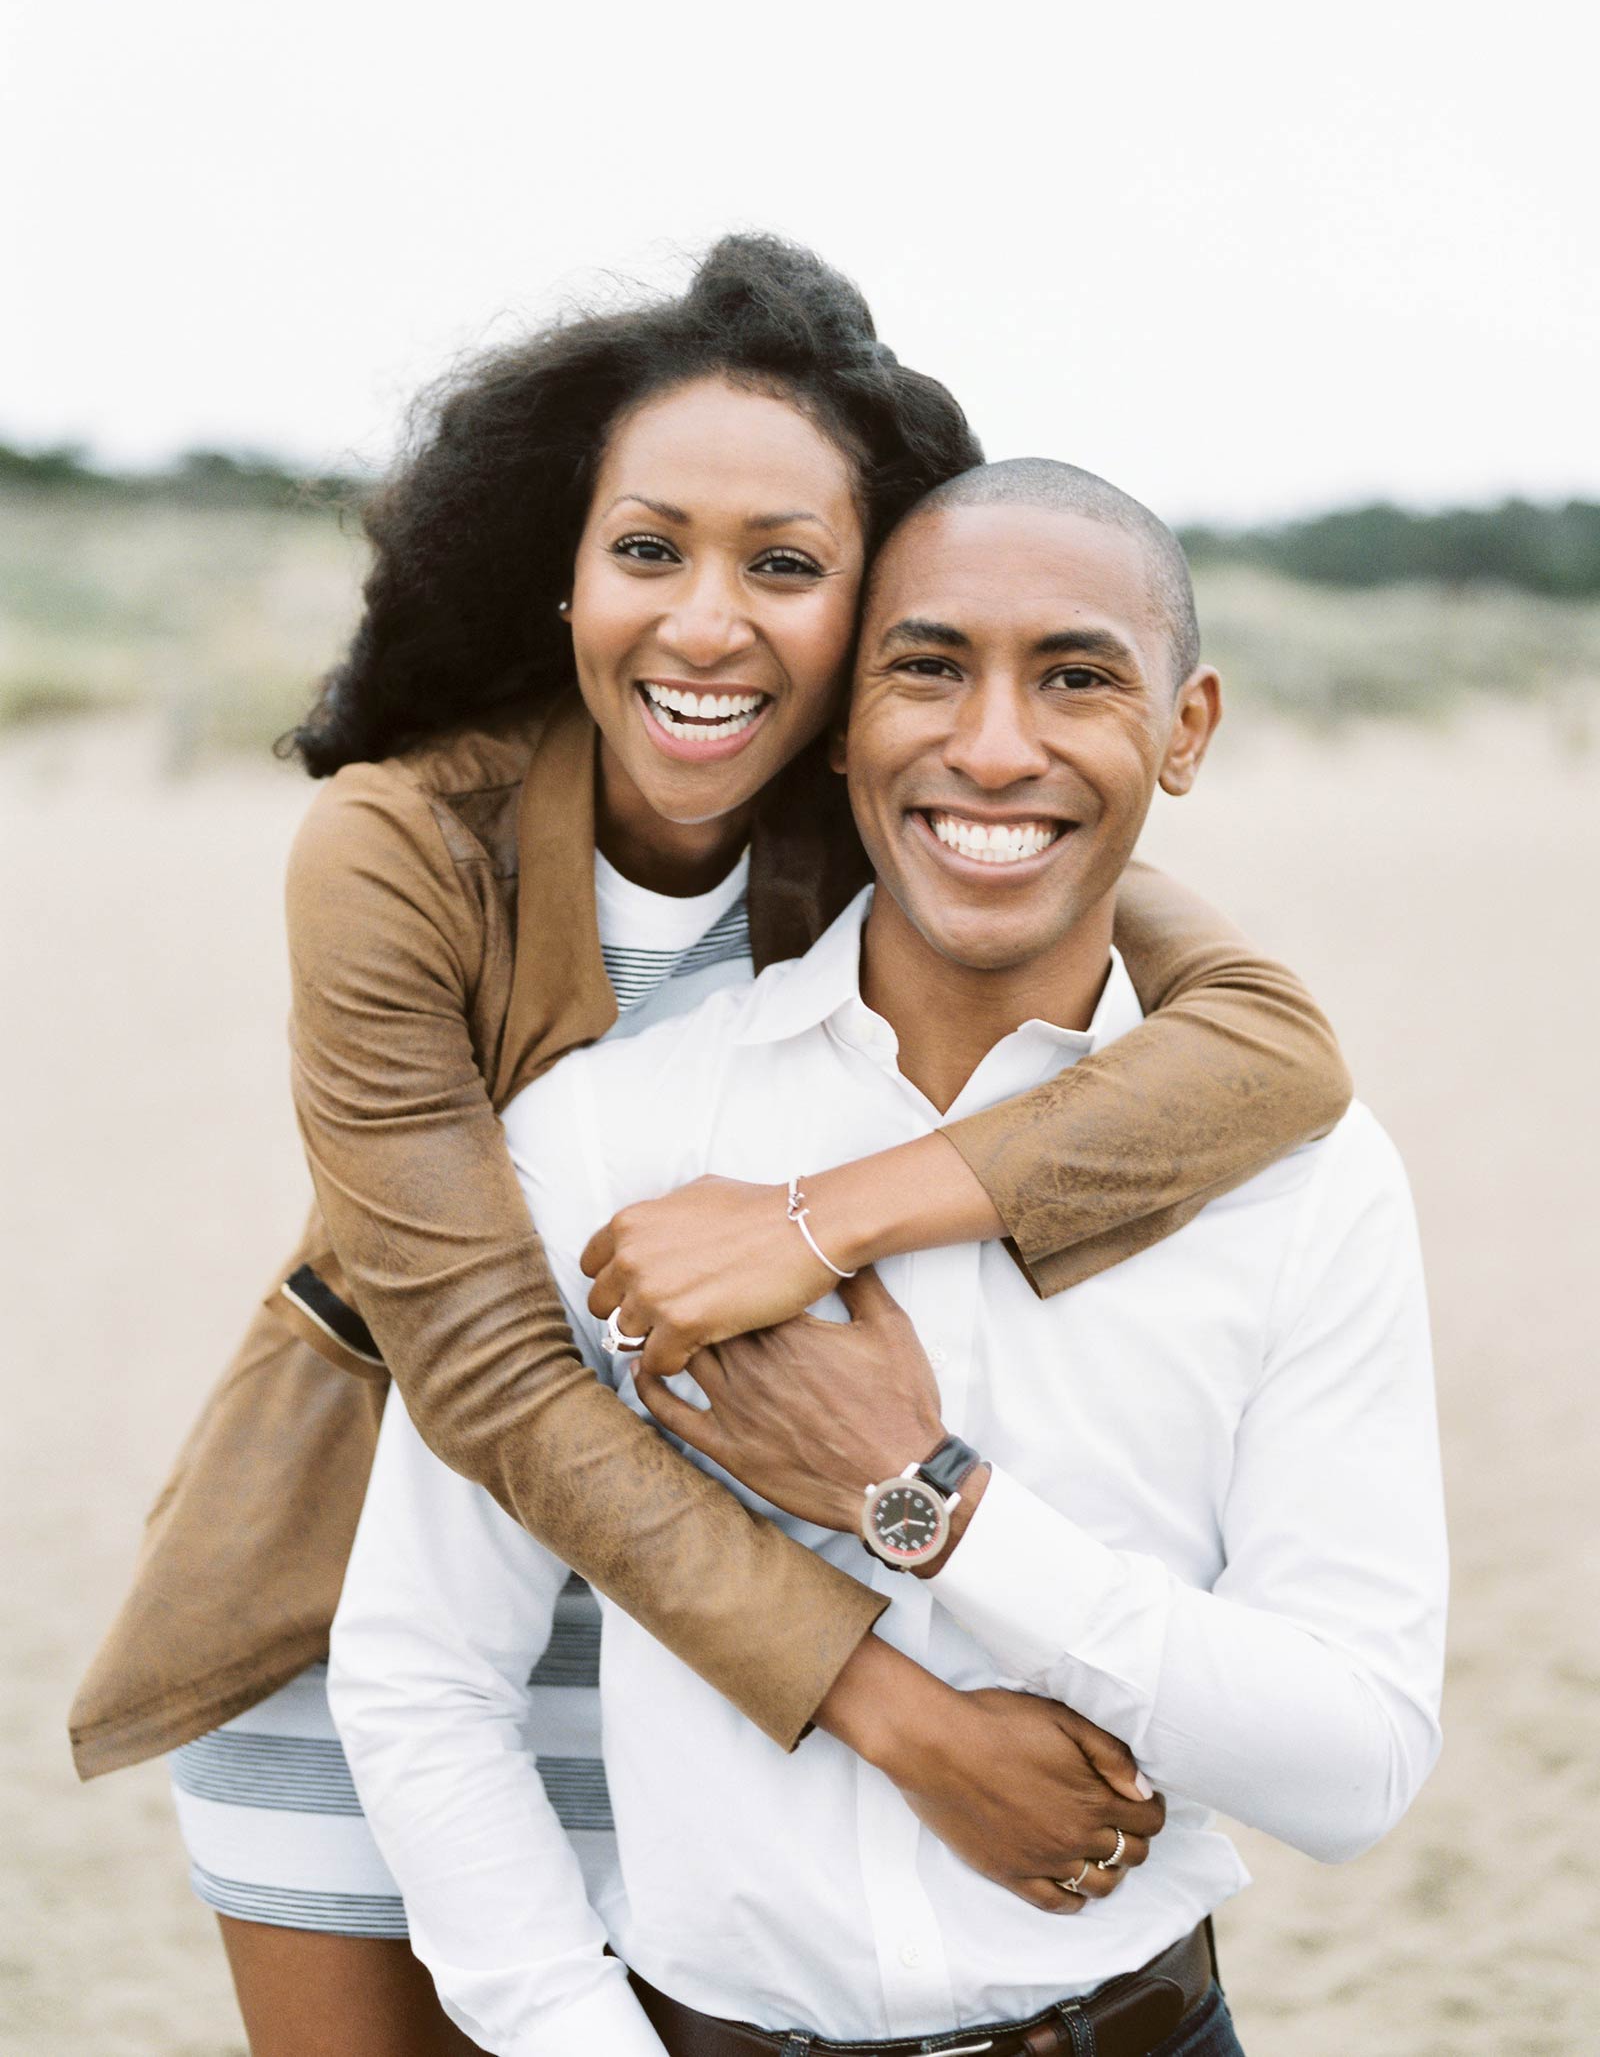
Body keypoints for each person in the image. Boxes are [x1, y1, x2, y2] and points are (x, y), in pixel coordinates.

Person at [71, 242, 1350, 2057]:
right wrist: (896, 1712)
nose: (706, 622)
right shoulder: (396, 848)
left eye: (787, 565)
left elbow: (1272, 1050)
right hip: (376, 1588)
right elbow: (499, 1383)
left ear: (865, 603)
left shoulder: (901, 803)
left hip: (702, 1665)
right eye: (649, 548)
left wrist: (816, 1219)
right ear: (564, 569)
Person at [329, 459, 1447, 2057]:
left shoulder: (1309, 1181)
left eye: (1077, 676)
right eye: (926, 667)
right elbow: (421, 1670)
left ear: (1186, 728)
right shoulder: (609, 1133)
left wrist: (932, 1501)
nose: (996, 746)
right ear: (838, 718)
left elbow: (1353, 1765)